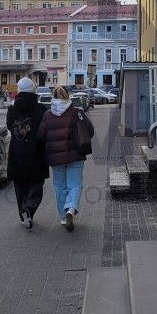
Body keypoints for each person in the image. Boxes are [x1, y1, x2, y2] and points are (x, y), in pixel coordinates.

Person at [38, 85, 93, 231]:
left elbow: (41, 136)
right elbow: (90, 131)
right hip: (75, 155)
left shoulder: (47, 115)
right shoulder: (76, 112)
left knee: (59, 186)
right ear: (68, 96)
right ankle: (71, 209)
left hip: (55, 158)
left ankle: (63, 217)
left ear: (53, 97)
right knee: (75, 185)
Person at [6, 77, 48, 229]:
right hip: (37, 153)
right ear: (33, 90)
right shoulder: (41, 109)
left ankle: (24, 214)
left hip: (16, 154)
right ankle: (29, 209)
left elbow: (10, 127)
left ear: (19, 90)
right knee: (36, 185)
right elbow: (45, 129)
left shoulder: (11, 110)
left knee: (20, 186)